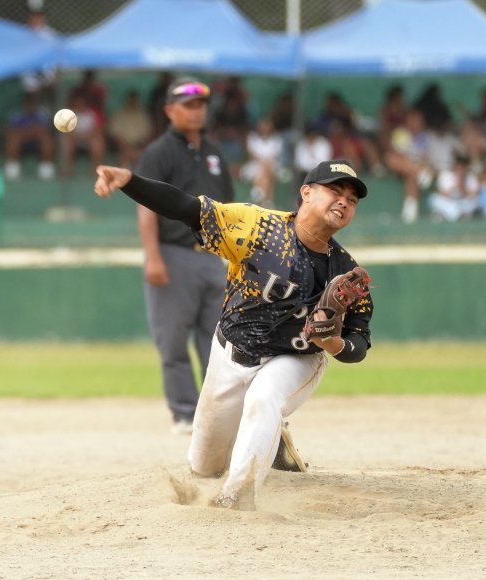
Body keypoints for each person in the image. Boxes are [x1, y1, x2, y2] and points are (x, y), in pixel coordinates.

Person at [93, 159, 373, 509]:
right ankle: (272, 440)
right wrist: (130, 181)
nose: (344, 201)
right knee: (204, 466)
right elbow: (185, 207)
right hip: (230, 351)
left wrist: (331, 342)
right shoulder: (258, 227)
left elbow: (358, 344)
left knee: (264, 398)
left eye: (352, 198)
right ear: (306, 192)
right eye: (335, 190)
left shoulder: (344, 272)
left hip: (295, 358)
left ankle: (236, 496)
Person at [134, 77, 235, 435]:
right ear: (169, 110)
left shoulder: (213, 153)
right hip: (173, 254)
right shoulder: (159, 152)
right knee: (173, 339)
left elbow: (229, 210)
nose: (196, 111)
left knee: (219, 341)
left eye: (200, 105)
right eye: (188, 105)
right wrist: (153, 257)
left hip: (212, 258)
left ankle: (217, 414)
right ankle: (185, 414)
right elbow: (146, 209)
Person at [384, 109, 433, 223]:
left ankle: (410, 209)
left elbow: (427, 159)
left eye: (418, 121)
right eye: (413, 120)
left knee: (411, 176)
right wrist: (414, 167)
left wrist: (418, 166)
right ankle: (419, 173)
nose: (415, 123)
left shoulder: (425, 137)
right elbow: (397, 154)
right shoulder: (400, 133)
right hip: (401, 167)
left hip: (415, 168)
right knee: (390, 157)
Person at [4, 93, 55, 181]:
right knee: (14, 137)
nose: (30, 106)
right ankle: (13, 165)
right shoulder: (17, 116)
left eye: (32, 104)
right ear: (23, 105)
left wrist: (30, 131)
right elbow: (9, 131)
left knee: (46, 137)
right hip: (22, 141)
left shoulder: (42, 115)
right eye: (27, 104)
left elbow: (46, 130)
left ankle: (46, 166)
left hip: (37, 141)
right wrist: (27, 132)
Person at [241, 117, 283, 207]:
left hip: (271, 165)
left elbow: (274, 156)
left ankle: (257, 193)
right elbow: (251, 155)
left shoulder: (277, 140)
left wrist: (265, 163)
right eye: (263, 126)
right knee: (264, 172)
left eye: (267, 126)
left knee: (267, 171)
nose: (265, 128)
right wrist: (263, 162)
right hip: (254, 166)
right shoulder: (252, 138)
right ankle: (268, 202)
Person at [108, 91, 153, 169]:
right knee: (125, 157)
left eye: (134, 101)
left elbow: (149, 133)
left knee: (147, 155)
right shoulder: (119, 115)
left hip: (140, 145)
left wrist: (142, 145)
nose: (133, 103)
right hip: (124, 146)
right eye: (131, 101)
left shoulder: (143, 115)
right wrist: (128, 147)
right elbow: (116, 135)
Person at [429, 156, 478, 222]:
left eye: (462, 168)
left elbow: (473, 195)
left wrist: (462, 187)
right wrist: (454, 186)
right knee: (434, 199)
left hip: (462, 202)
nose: (460, 171)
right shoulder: (445, 175)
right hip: (448, 201)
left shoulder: (471, 178)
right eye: (458, 168)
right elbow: (441, 193)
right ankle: (456, 215)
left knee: (474, 202)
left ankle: (445, 215)